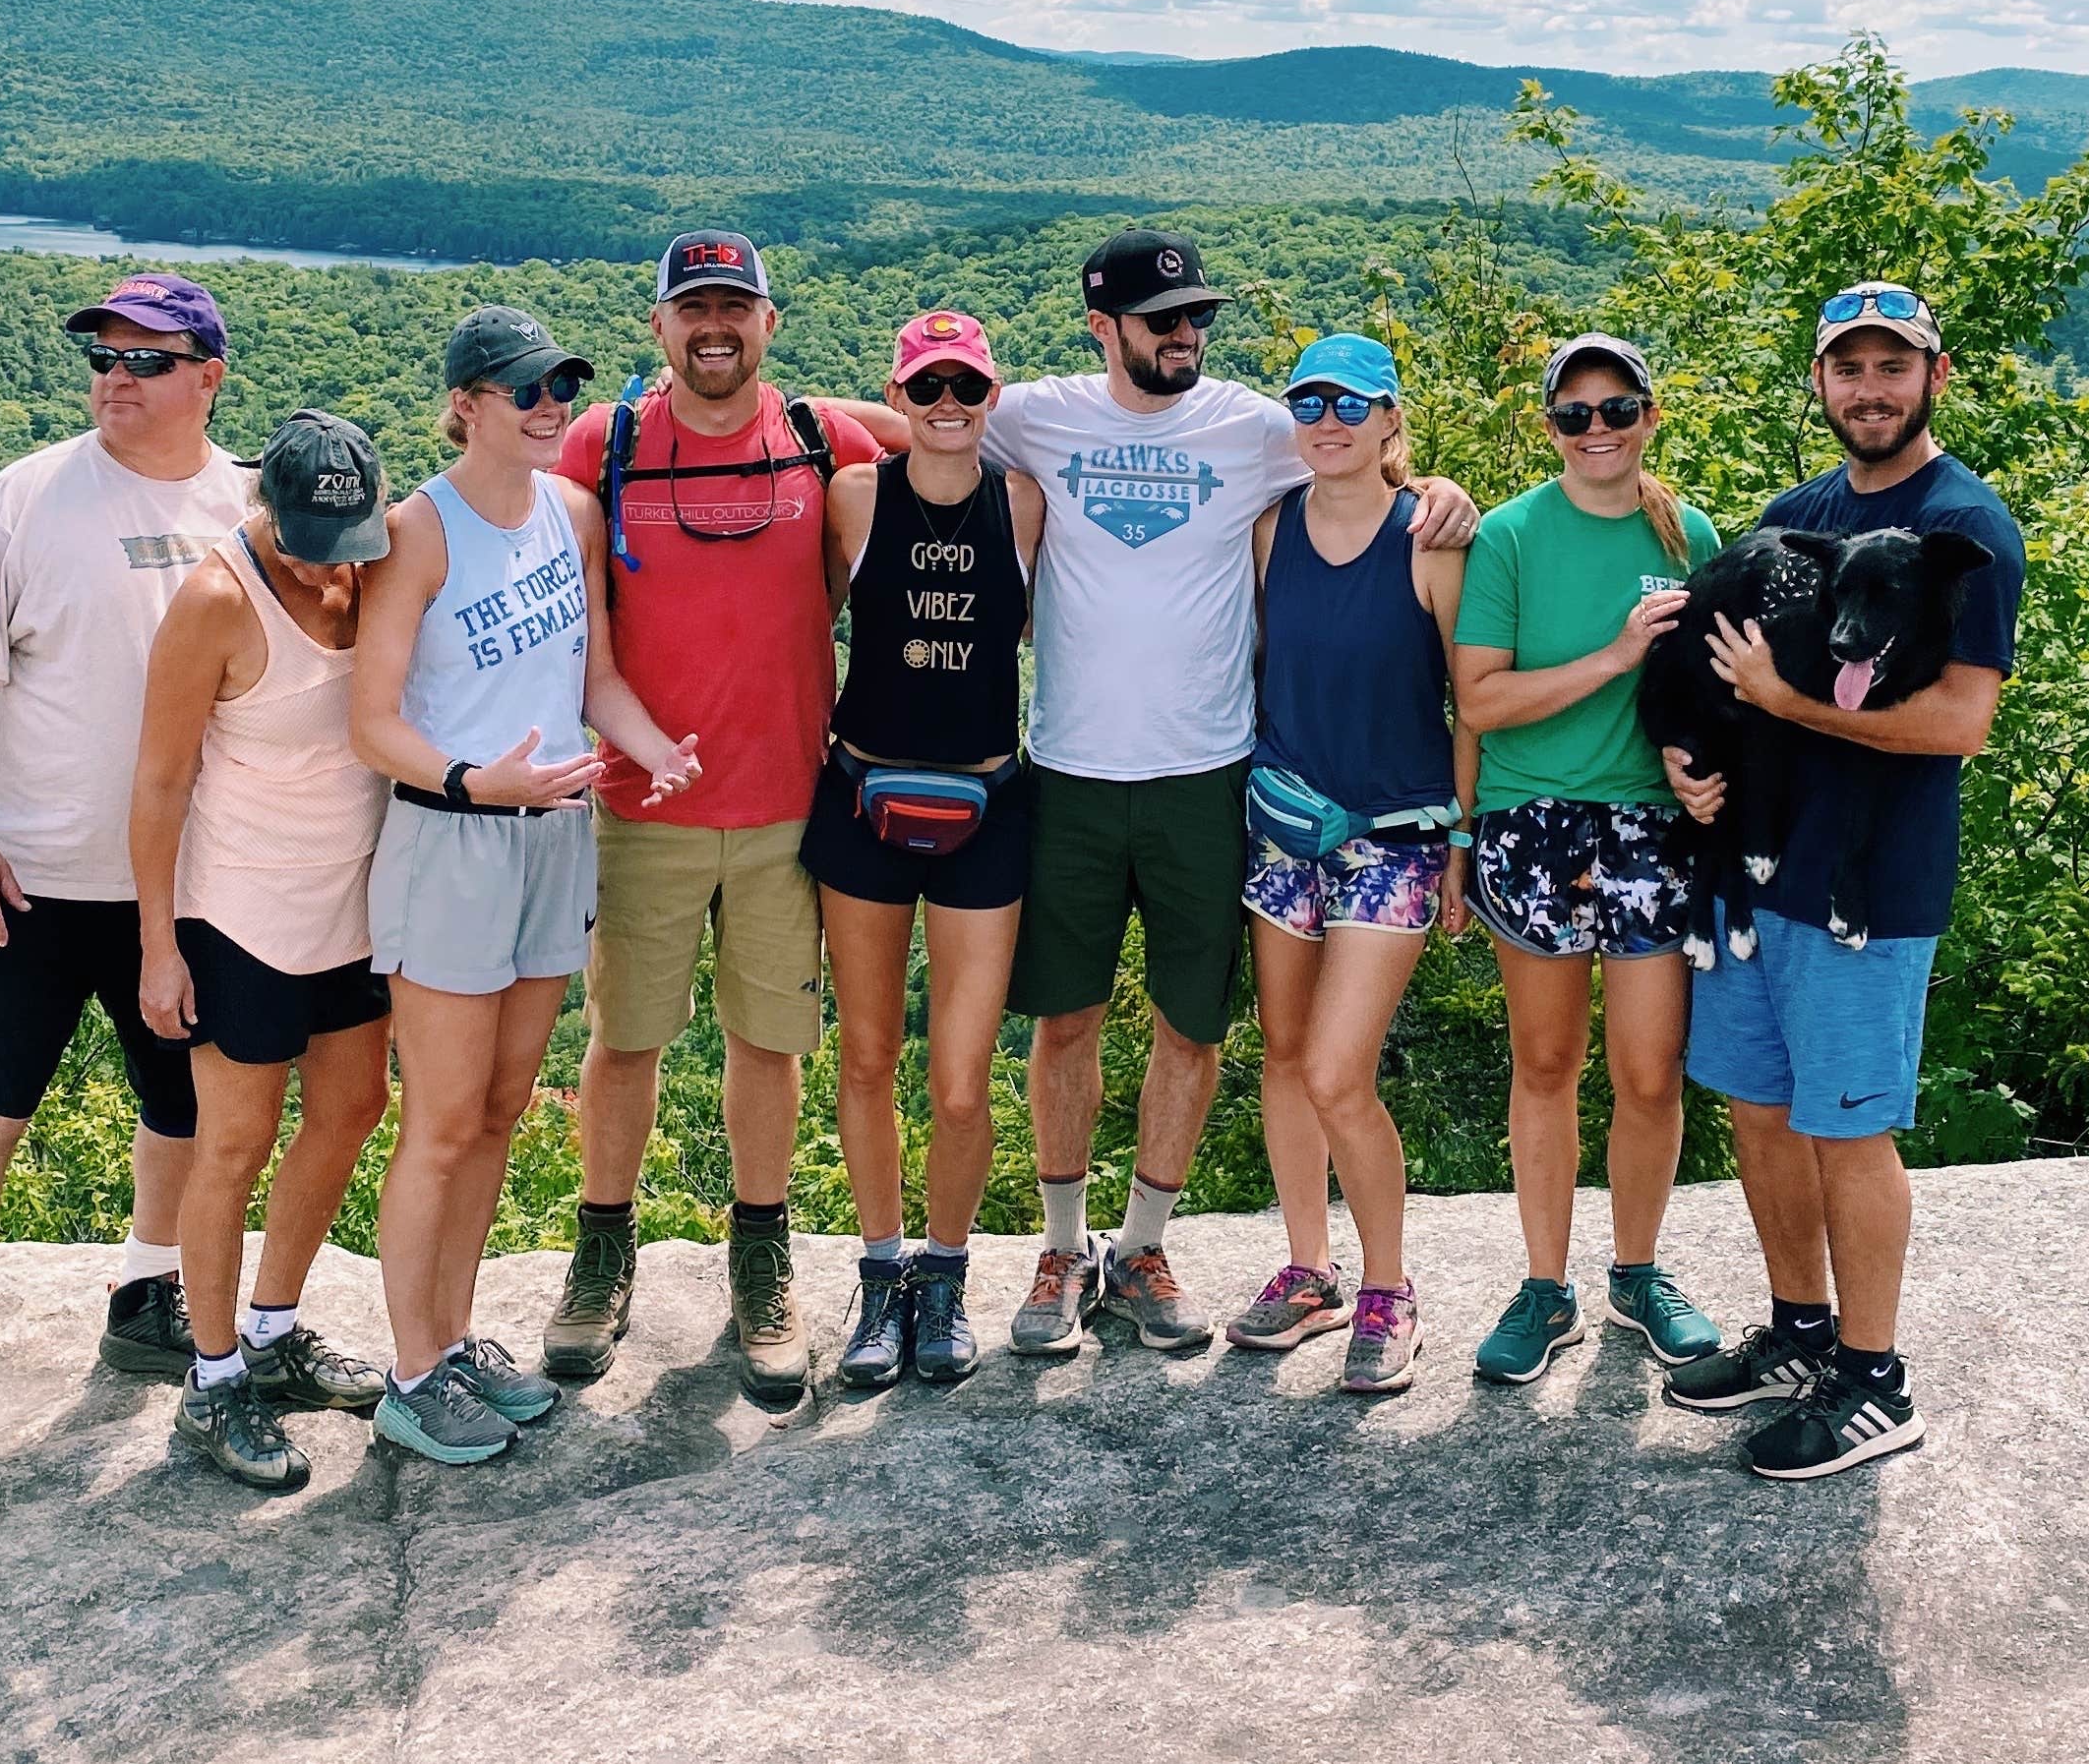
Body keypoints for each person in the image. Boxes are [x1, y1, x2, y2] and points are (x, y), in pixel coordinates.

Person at [973, 232, 1475, 1358]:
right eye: (1161, 320)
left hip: (1212, 778)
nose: (1185, 335)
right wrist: (762, 407)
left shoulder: (1257, 428)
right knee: (1065, 1020)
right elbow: (929, 414)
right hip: (1070, 770)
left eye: (1196, 316)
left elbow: (1367, 473)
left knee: (1190, 1026)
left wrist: (1441, 487)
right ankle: (1063, 1245)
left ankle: (1145, 1245)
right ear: (1102, 327)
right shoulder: (1040, 415)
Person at [0, 274, 255, 1525]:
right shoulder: (25, 500)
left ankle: (150, 1298)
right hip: (28, 882)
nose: (114, 376)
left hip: (193, 885)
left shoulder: (251, 506)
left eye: (149, 359)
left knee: (189, 1108)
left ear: (210, 375)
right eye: (102, 353)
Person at [1668, 280, 2024, 1481]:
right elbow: (1726, 681)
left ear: (1935, 375)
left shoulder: (1965, 526)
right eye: (1847, 367)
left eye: (1892, 366)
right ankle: (1799, 1333)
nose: (1868, 388)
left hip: (1868, 885)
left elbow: (1960, 721)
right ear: (1819, 381)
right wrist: (1694, 758)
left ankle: (1875, 1383)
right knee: (1760, 1110)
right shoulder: (1800, 514)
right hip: (1762, 867)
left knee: (1848, 1126)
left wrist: (1787, 701)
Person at [349, 305, 701, 1468]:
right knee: (441, 1121)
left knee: (500, 1110)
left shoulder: (574, 511)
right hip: (452, 838)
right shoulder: (417, 530)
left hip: (555, 834)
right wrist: (471, 780)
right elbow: (371, 721)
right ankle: (409, 1371)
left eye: (560, 386)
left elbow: (592, 668)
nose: (550, 406)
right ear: (464, 404)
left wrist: (649, 745)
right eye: (523, 391)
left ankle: (451, 1344)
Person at [544, 235, 881, 1410]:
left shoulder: (823, 436)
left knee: (767, 1041)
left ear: (770, 322)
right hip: (645, 804)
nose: (714, 326)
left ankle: (760, 1250)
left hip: (792, 797)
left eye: (735, 304)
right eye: (693, 308)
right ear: (660, 329)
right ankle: (600, 1248)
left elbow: (970, 441)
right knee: (626, 1035)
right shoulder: (610, 443)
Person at [1450, 334, 1729, 1390]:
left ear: (1650, 415)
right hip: (1536, 824)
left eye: (1617, 409)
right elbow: (1479, 699)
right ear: (1549, 426)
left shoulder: (1686, 528)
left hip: (1652, 828)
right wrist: (1614, 654)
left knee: (1650, 1072)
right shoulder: (1512, 535)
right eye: (1575, 413)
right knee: (1545, 1065)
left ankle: (1639, 1270)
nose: (1597, 429)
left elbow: (1703, 686)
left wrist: (1696, 764)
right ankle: (1543, 1284)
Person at [127, 411, 398, 1497]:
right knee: (231, 1143)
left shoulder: (366, 566)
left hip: (355, 905)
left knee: (349, 1111)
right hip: (238, 912)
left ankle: (276, 1328)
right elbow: (157, 781)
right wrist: (157, 942)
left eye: (345, 533)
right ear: (263, 506)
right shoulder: (215, 598)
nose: (325, 556)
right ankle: (212, 1376)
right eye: (306, 533)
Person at [1224, 334, 1471, 1397]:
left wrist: (1462, 842)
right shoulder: (1269, 527)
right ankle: (1310, 1269)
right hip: (1282, 819)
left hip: (1396, 833)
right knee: (1283, 1056)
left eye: (1351, 403)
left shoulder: (1430, 536)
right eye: (1308, 401)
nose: (1326, 420)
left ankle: (1389, 1286)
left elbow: (1472, 697)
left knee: (1335, 1069)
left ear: (1389, 419)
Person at [808, 309, 1044, 1391]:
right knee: (865, 1056)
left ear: (993, 398)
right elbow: (804, 412)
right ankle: (878, 1269)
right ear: (897, 398)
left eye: (968, 388)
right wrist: (884, 426)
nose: (949, 406)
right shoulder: (855, 496)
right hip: (863, 798)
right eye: (926, 388)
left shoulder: (1024, 503)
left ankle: (944, 1276)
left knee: (959, 1083)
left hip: (984, 808)